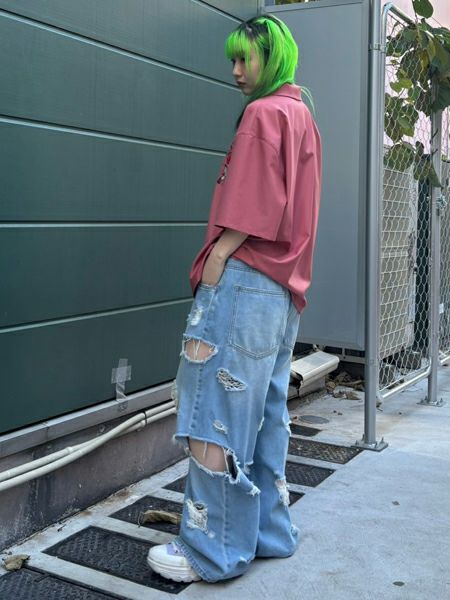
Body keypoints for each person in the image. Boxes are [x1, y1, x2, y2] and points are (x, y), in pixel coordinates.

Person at [147, 14, 322, 583]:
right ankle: (268, 531)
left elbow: (254, 205)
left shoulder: (262, 114)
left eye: (246, 58)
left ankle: (211, 549)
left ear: (273, 58)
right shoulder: (301, 114)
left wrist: (219, 255)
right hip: (282, 290)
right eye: (234, 59)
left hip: (245, 280)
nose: (236, 71)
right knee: (267, 414)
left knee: (213, 413)